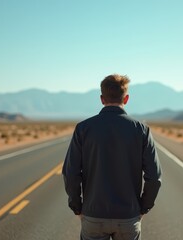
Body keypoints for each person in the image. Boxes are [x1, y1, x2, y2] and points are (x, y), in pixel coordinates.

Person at [62, 74, 162, 240]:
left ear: (102, 99)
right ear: (127, 98)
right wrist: (144, 208)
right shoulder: (141, 130)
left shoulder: (83, 129)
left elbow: (70, 173)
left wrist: (77, 207)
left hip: (93, 215)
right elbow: (154, 177)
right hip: (128, 216)